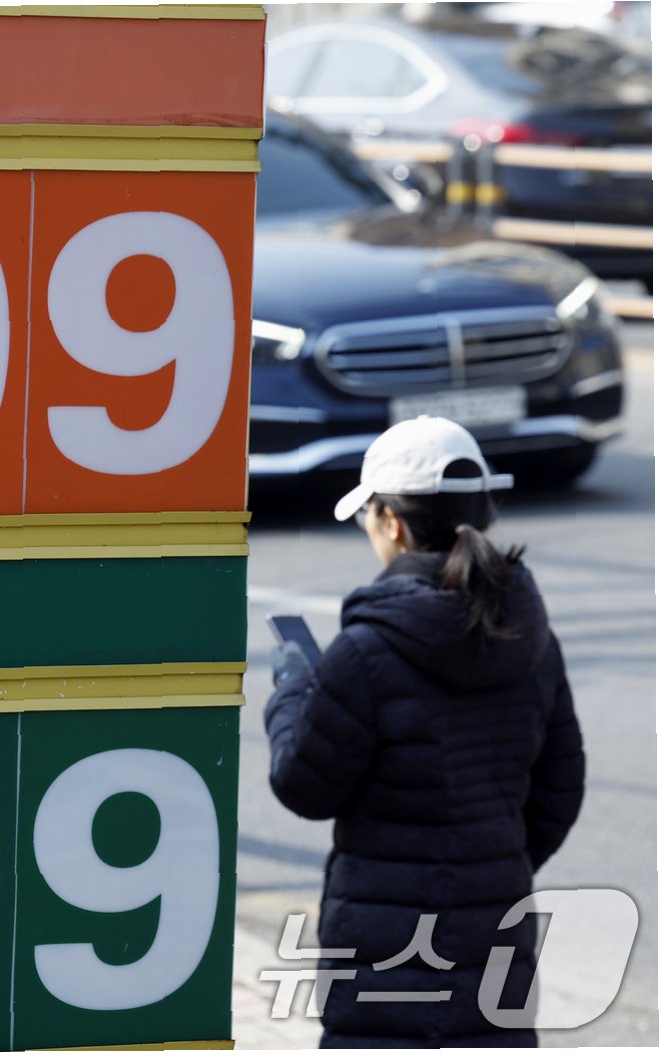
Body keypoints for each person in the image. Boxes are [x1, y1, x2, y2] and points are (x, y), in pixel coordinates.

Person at [263, 415, 585, 1048]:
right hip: (495, 936)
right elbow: (559, 792)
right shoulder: (532, 640)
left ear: (391, 521)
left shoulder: (364, 653)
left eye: (368, 514)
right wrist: (491, 862)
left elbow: (303, 784)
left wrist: (294, 690)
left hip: (382, 954)